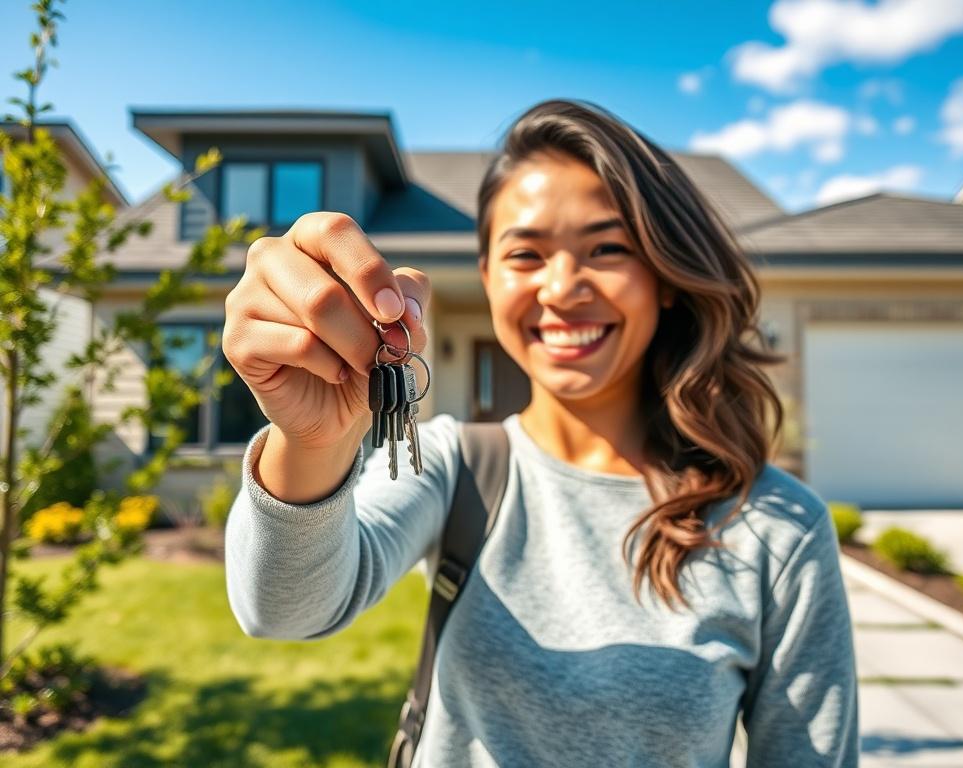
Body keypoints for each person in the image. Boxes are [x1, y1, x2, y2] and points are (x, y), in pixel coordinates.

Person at [222, 98, 859, 767]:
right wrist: (315, 442)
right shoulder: (453, 463)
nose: (562, 288)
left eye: (608, 248)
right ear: (490, 279)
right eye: (525, 253)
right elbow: (282, 610)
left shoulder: (778, 527)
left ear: (665, 278)